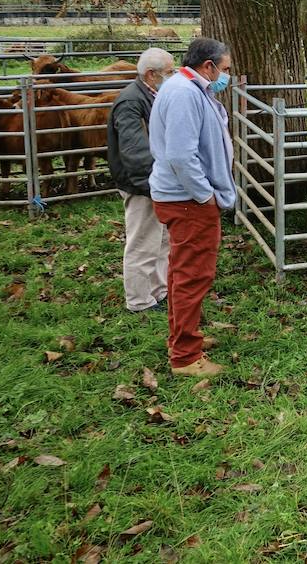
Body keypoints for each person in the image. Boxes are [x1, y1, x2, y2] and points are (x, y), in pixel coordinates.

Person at [149, 37, 235, 378]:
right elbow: (181, 155)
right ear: (208, 66)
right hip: (188, 201)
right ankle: (186, 357)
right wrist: (204, 195)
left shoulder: (187, 88)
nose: (227, 75)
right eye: (225, 69)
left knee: (179, 271)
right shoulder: (185, 94)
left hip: (182, 197)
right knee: (192, 275)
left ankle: (182, 337)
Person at [106, 47, 175, 314]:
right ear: (151, 74)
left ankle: (156, 292)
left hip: (153, 181)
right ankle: (139, 301)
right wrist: (152, 185)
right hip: (142, 183)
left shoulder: (149, 95)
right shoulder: (131, 102)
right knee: (143, 240)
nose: (173, 76)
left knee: (160, 239)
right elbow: (135, 152)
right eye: (169, 72)